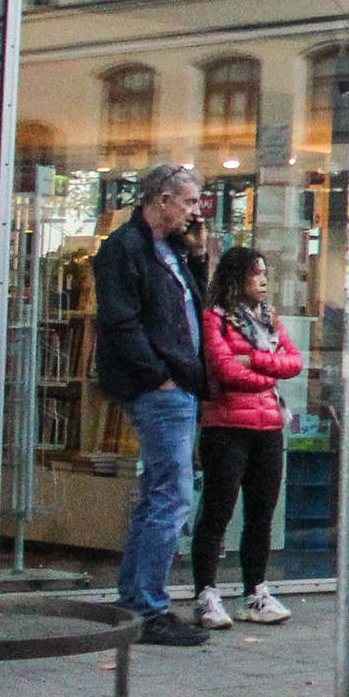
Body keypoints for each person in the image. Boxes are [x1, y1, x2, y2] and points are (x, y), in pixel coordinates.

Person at [91, 164, 211, 647]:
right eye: (189, 203)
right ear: (162, 200)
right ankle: (150, 606)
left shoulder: (169, 250)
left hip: (176, 382)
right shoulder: (125, 248)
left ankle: (136, 599)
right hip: (160, 387)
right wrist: (157, 377)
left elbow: (189, 308)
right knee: (172, 495)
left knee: (159, 493)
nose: (195, 212)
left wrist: (199, 257)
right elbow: (121, 321)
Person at [192, 248, 301, 628]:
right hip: (226, 427)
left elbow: (294, 361)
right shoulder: (215, 319)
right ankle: (205, 594)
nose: (264, 281)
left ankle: (255, 591)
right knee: (217, 512)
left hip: (268, 427)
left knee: (261, 514)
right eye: (256, 274)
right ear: (236, 278)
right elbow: (224, 370)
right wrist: (270, 374)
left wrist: (255, 362)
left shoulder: (270, 320)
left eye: (265, 273)